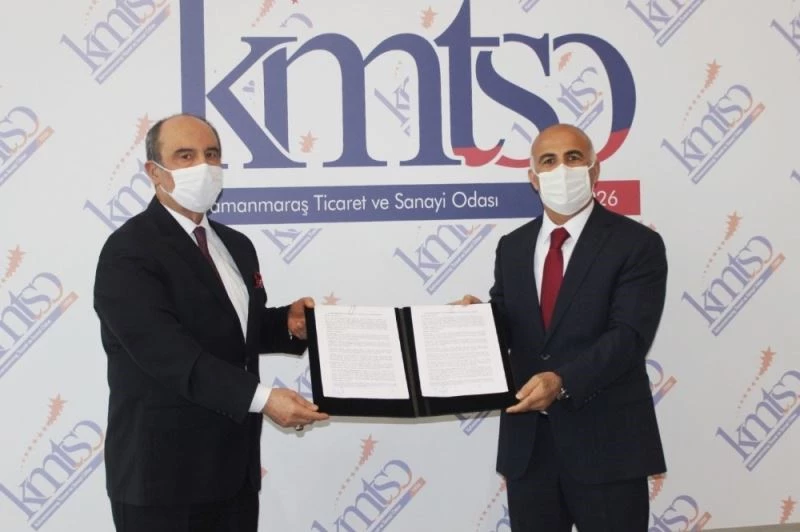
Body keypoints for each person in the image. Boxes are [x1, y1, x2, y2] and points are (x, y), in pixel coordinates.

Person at [93, 113, 328, 532]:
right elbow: (168, 354)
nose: (203, 166)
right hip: (163, 483)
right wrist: (264, 399)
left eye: (211, 154)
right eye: (185, 156)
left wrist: (287, 324)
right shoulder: (128, 252)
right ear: (154, 172)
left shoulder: (236, 245)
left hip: (233, 474)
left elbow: (231, 329)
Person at [459, 124, 667, 530]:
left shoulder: (636, 244)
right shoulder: (513, 246)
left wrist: (562, 382)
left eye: (573, 158)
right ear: (534, 178)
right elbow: (511, 322)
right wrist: (474, 323)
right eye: (548, 161)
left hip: (608, 447)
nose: (562, 169)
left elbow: (629, 337)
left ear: (594, 169)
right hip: (530, 452)